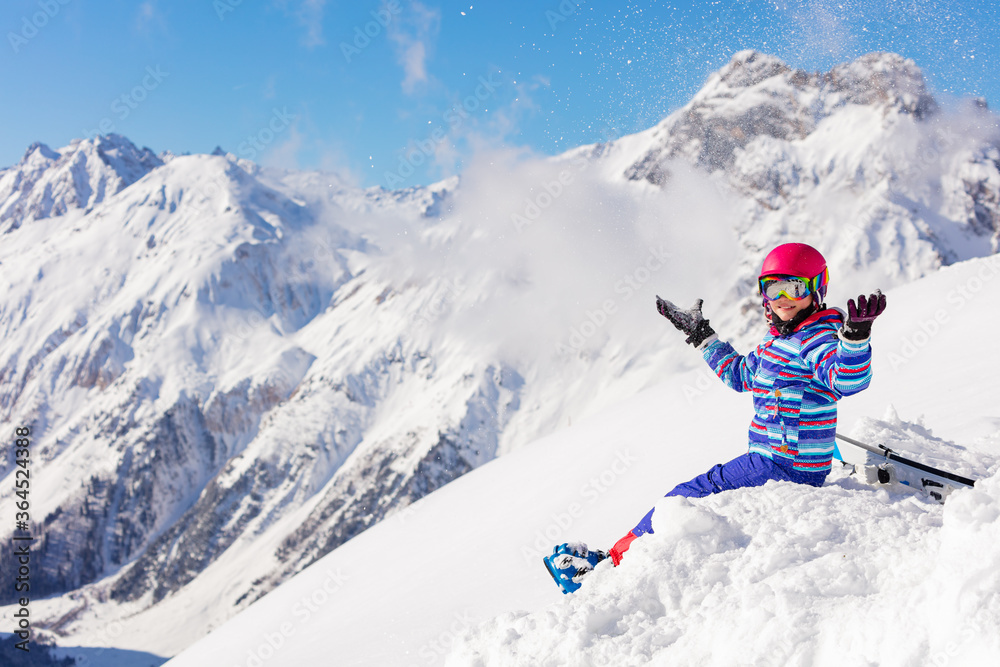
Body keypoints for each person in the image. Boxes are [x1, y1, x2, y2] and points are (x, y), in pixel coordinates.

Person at [543, 242, 887, 594]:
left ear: (816, 289)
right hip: (771, 460)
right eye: (773, 288)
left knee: (682, 501)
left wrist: (856, 339)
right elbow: (740, 376)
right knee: (693, 500)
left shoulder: (816, 338)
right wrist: (701, 336)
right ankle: (622, 558)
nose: (783, 297)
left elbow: (846, 380)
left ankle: (611, 566)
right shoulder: (778, 342)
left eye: (794, 287)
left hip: (783, 466)